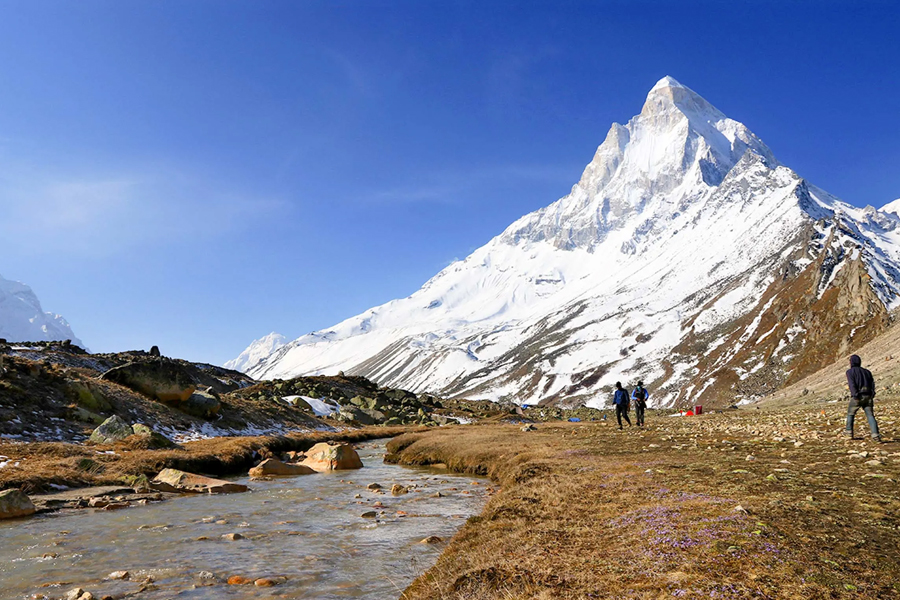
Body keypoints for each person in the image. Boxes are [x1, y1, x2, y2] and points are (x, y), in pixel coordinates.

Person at [845, 354, 881, 442]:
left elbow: (852, 384)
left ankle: (849, 433)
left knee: (850, 414)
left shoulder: (850, 372)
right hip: (868, 396)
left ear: (851, 362)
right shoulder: (867, 372)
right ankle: (875, 435)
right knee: (870, 415)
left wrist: (855, 395)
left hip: (858, 396)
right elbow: (872, 384)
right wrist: (872, 394)